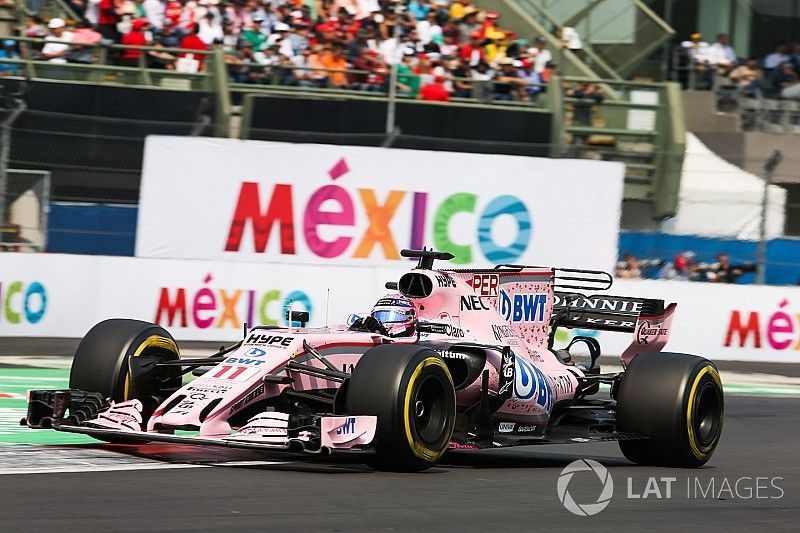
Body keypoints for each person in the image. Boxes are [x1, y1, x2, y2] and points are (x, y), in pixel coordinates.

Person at [349, 294, 417, 337]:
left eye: (394, 317)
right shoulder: (373, 329)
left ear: (410, 318)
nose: (383, 323)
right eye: (379, 316)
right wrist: (355, 332)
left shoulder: (422, 339)